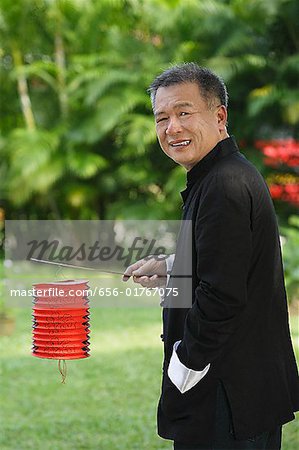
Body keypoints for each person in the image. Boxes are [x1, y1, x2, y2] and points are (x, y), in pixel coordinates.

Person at [122, 63, 299, 449]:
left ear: (219, 116)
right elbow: (230, 259)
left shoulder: (224, 184)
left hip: (228, 394)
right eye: (162, 118)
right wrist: (172, 267)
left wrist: (184, 365)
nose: (172, 128)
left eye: (184, 112)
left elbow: (222, 295)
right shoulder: (222, 174)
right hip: (241, 389)